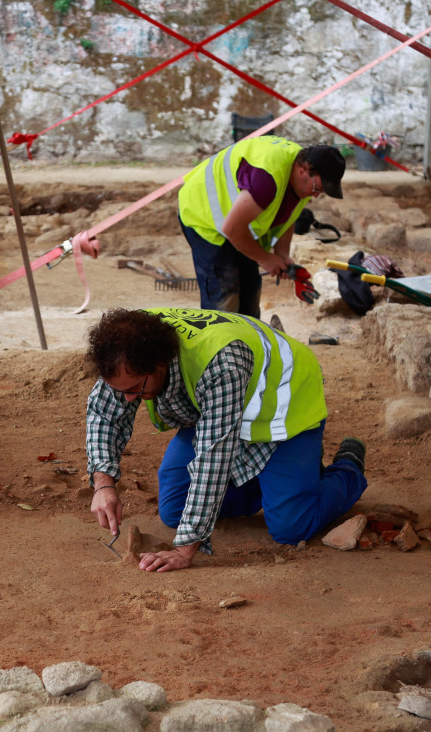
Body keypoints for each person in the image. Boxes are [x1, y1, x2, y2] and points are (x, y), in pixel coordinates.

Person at [85, 307, 368, 572]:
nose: (128, 398)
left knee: (291, 527)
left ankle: (347, 468)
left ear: (160, 363)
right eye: (120, 390)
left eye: (136, 389)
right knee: (175, 511)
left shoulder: (222, 364)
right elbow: (104, 413)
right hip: (219, 408)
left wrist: (184, 549)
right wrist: (103, 484)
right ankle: (285, 481)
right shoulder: (126, 346)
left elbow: (213, 458)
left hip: (285, 404)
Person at [177, 136, 346, 317]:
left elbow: (288, 218)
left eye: (320, 191)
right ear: (304, 169)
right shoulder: (267, 177)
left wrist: (282, 256)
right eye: (317, 187)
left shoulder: (301, 182)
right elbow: (232, 228)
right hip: (205, 216)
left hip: (238, 224)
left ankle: (248, 342)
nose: (316, 195)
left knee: (250, 290)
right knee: (225, 295)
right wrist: (265, 258)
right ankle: (220, 342)